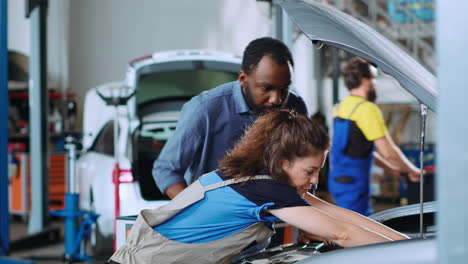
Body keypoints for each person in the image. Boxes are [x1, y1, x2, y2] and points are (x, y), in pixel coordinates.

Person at [109, 110, 409, 264]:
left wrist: (408, 244)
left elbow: (341, 216)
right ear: (282, 163)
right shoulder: (264, 188)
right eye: (310, 171)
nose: (316, 180)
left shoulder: (251, 177)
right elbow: (341, 233)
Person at [153, 37, 308, 199]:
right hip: (217, 217)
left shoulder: (296, 107)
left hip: (276, 214)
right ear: (243, 79)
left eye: (284, 89)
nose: (276, 99)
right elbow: (166, 170)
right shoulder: (205, 109)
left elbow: (304, 165)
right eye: (266, 88)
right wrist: (198, 211)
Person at [328, 57, 421, 216]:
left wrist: (392, 169)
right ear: (365, 80)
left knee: (349, 223)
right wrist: (414, 171)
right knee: (359, 228)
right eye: (374, 79)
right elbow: (389, 152)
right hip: (355, 184)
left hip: (337, 181)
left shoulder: (340, 106)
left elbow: (361, 149)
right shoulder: (367, 109)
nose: (376, 84)